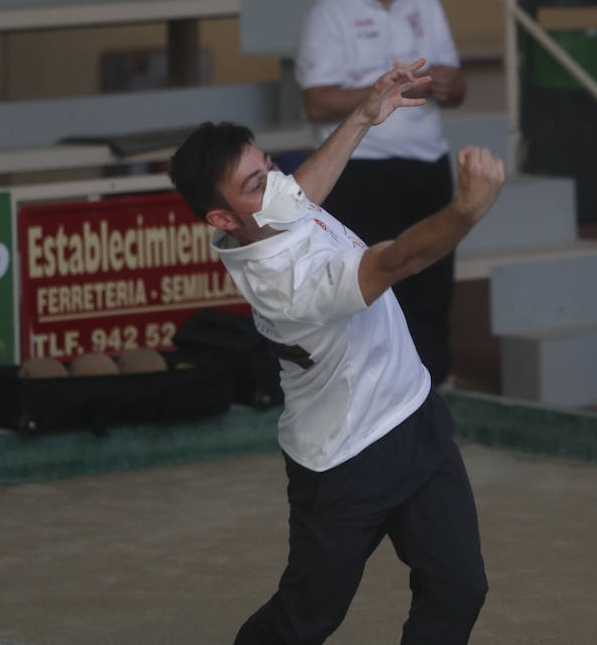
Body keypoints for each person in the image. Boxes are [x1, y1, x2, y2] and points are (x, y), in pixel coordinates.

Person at [169, 60, 500, 644]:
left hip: (412, 416)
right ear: (221, 218)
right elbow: (395, 261)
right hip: (344, 460)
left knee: (459, 589)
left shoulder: (268, 214)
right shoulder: (285, 283)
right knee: (306, 619)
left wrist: (365, 115)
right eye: (254, 183)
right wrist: (466, 210)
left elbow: (301, 190)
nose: (274, 183)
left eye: (266, 165)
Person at [295, 0, 467, 387]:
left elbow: (456, 87)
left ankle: (436, 385)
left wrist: (451, 85)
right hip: (363, 171)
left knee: (432, 284)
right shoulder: (331, 12)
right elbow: (315, 101)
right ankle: (373, 390)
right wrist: (382, 95)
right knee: (369, 289)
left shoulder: (427, 3)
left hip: (428, 166)